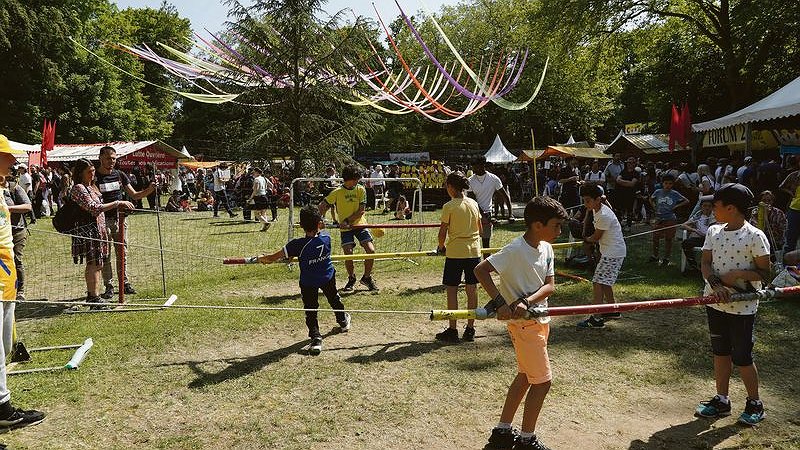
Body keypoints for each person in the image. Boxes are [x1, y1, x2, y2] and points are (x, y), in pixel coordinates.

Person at [474, 196, 567, 450]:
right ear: (537, 225)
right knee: (542, 381)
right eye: (556, 226)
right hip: (524, 326)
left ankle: (502, 432)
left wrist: (526, 300)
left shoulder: (547, 248)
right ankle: (526, 439)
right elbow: (480, 270)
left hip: (540, 320)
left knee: (526, 376)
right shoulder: (515, 250)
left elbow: (550, 286)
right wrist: (501, 302)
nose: (559, 231)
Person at [696, 183, 769, 426]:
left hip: (742, 307)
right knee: (720, 352)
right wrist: (716, 284)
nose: (712, 209)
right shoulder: (713, 231)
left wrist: (737, 275)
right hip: (715, 303)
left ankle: (755, 403)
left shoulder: (755, 236)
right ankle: (722, 399)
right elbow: (706, 263)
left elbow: (765, 273)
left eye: (715, 205)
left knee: (742, 356)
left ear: (731, 208)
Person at [258, 206, 351, 355]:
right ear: (319, 223)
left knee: (311, 309)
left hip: (309, 282)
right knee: (334, 298)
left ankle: (316, 338)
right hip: (327, 276)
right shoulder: (327, 238)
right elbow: (317, 236)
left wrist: (262, 258)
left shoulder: (296, 245)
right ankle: (343, 321)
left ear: (301, 225)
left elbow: (272, 258)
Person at [0, 136, 46, 432]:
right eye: (8, 156)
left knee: (4, 344)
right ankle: (2, 408)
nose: (14, 161)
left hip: (6, 277)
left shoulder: (2, 188)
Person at [69, 158, 135, 307]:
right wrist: (117, 203)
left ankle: (95, 295)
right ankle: (93, 296)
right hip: (88, 230)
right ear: (80, 173)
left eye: (93, 171)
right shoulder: (78, 188)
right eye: (89, 172)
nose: (92, 174)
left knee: (99, 263)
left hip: (99, 229)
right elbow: (93, 207)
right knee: (93, 263)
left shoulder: (91, 186)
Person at [96, 146, 156, 299]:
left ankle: (124, 282)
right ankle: (109, 286)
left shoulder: (120, 175)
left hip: (120, 220)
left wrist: (150, 189)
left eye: (114, 158)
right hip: (102, 221)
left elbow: (135, 195)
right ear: (100, 158)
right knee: (105, 254)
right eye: (108, 158)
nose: (111, 161)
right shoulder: (94, 176)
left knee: (122, 253)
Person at [434, 172, 482, 343]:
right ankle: (470, 328)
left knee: (452, 290)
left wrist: (441, 246)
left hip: (455, 252)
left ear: (451, 187)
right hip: (474, 252)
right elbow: (480, 229)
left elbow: (442, 232)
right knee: (472, 290)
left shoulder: (449, 206)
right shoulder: (474, 203)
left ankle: (452, 329)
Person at [318, 165, 378, 291]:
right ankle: (351, 278)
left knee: (371, 250)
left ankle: (367, 278)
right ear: (349, 179)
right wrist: (320, 219)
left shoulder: (361, 189)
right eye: (356, 178)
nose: (358, 181)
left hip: (360, 225)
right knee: (348, 253)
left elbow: (361, 211)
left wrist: (346, 220)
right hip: (345, 229)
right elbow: (322, 206)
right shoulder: (337, 192)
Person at [578, 184, 626, 328]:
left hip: (613, 253)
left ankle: (596, 318)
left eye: (588, 201)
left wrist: (586, 239)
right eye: (584, 200)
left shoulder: (604, 215)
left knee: (597, 282)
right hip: (611, 251)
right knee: (605, 282)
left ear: (598, 199)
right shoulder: (597, 209)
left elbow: (596, 237)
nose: (585, 204)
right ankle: (612, 310)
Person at [468, 158, 513, 249]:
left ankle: (486, 258)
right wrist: (482, 214)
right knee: (472, 243)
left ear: (483, 165)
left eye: (476, 166)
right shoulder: (470, 181)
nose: (474, 169)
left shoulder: (494, 179)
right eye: (473, 167)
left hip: (487, 214)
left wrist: (510, 214)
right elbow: (473, 200)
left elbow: (505, 196)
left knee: (486, 244)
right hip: (472, 214)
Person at [2, 169, 31, 300]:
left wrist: (8, 209)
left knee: (16, 259)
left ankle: (20, 291)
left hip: (17, 230)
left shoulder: (15, 188)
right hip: (2, 231)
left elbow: (28, 206)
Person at [649, 174, 689, 266]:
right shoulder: (658, 192)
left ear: (672, 184)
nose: (668, 185)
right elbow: (651, 199)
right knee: (655, 237)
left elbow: (686, 201)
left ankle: (666, 258)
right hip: (659, 218)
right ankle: (655, 256)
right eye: (666, 183)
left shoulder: (674, 193)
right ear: (662, 183)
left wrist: (676, 206)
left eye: (670, 184)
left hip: (670, 219)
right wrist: (654, 206)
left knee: (668, 238)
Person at [680, 196, 715, 272]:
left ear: (712, 207)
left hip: (711, 240)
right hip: (700, 238)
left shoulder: (715, 216)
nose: (707, 208)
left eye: (709, 206)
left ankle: (703, 266)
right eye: (705, 206)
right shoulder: (698, 215)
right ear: (701, 207)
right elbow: (683, 225)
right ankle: (694, 265)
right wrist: (694, 230)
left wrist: (706, 235)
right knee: (686, 243)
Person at [749, 190, 786, 259]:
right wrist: (762, 216)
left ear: (772, 201)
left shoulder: (779, 213)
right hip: (760, 242)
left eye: (769, 200)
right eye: (764, 200)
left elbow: (782, 231)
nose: (767, 203)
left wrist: (768, 217)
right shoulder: (755, 213)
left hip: (775, 243)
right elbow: (753, 229)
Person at [614, 158, 639, 229]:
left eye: (632, 163)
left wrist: (622, 182)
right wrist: (627, 182)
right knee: (619, 210)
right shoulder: (623, 171)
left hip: (630, 195)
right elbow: (617, 180)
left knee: (629, 211)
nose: (630, 164)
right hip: (621, 194)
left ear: (634, 164)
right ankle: (619, 224)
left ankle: (628, 225)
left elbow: (632, 184)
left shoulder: (636, 173)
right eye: (628, 163)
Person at [249, 167, 271, 231]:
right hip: (265, 196)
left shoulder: (256, 179)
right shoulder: (264, 178)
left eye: (253, 173)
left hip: (259, 198)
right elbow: (271, 185)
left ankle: (266, 223)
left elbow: (255, 190)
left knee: (256, 213)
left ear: (256, 172)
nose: (253, 174)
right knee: (263, 213)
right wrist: (266, 191)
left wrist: (250, 198)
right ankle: (265, 228)